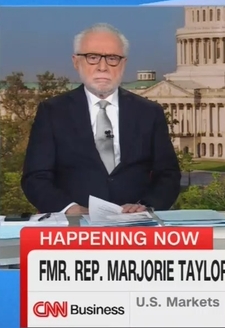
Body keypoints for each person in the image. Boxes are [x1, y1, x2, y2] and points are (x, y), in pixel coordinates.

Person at [21, 23, 181, 214]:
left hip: (136, 225)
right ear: (76, 62)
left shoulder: (149, 112)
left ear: (123, 64)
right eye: (93, 57)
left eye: (112, 58)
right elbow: (35, 177)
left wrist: (146, 206)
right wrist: (71, 209)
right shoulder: (52, 112)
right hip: (73, 225)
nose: (102, 67)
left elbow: (168, 175)